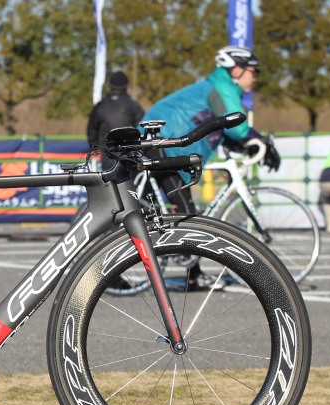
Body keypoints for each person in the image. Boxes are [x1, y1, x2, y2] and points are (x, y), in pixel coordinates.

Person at [139, 46, 281, 289]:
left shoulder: (216, 86)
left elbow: (222, 130)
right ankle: (191, 273)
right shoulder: (221, 88)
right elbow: (235, 124)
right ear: (237, 69)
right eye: (252, 71)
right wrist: (260, 142)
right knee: (186, 214)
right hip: (164, 145)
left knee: (183, 211)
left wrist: (248, 144)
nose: (254, 78)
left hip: (166, 144)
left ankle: (192, 272)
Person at [87, 71, 145, 170]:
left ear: (110, 85)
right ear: (126, 86)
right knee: (131, 185)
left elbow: (92, 131)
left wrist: (96, 149)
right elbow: (143, 129)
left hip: (108, 157)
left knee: (110, 184)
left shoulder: (100, 106)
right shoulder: (133, 105)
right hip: (130, 157)